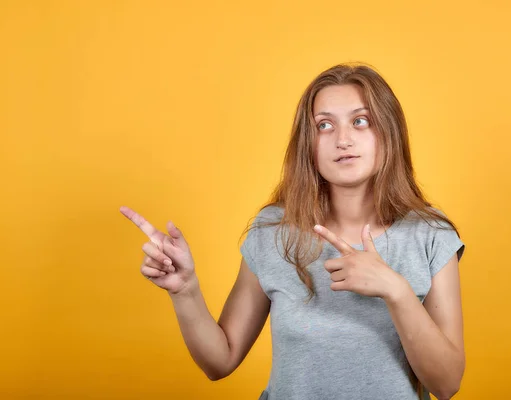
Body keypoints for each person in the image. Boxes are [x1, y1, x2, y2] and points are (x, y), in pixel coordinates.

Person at [120, 63, 466, 400]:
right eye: (324, 126)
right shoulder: (274, 232)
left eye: (360, 121)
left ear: (388, 133)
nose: (343, 139)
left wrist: (396, 290)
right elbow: (219, 361)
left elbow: (447, 385)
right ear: (308, 144)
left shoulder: (430, 235)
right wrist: (185, 291)